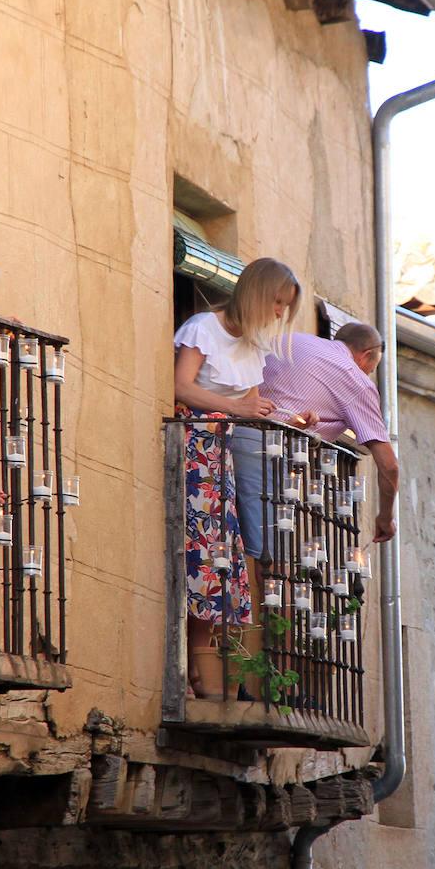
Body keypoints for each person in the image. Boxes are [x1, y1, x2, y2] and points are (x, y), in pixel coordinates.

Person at [173, 257, 301, 696]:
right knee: (199, 552)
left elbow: (253, 404)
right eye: (278, 302)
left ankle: (201, 669)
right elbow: (181, 387)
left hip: (219, 457)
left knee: (217, 558)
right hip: (193, 451)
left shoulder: (253, 345)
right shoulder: (202, 329)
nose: (281, 313)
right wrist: (238, 410)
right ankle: (193, 668)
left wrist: (289, 420)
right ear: (257, 294)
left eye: (287, 306)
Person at [241, 321, 399, 555]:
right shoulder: (356, 380)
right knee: (268, 555)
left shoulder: (289, 339)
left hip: (229, 436)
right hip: (269, 456)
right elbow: (389, 465)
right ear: (366, 356)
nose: (367, 374)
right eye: (370, 368)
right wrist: (385, 517)